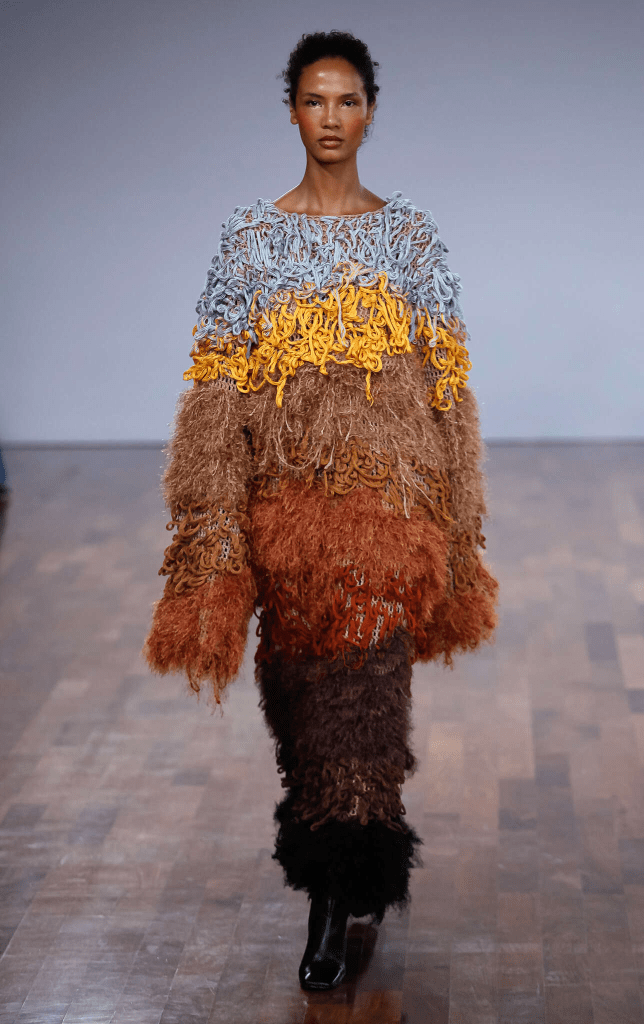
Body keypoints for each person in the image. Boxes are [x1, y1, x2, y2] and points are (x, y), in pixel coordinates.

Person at [144, 30, 498, 992]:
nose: (331, 118)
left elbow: (447, 387)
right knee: (298, 696)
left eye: (347, 101)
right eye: (314, 100)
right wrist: (213, 537)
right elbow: (216, 391)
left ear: (370, 113)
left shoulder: (410, 238)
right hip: (284, 509)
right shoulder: (249, 241)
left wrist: (456, 531)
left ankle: (333, 900)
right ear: (292, 111)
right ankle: (350, 852)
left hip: (391, 508)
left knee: (364, 690)